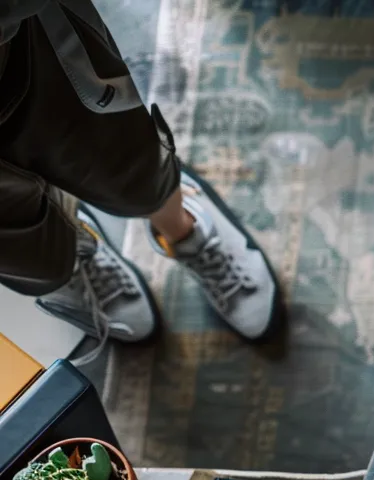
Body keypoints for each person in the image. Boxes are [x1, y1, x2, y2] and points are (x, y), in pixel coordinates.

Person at [0, 0, 280, 346]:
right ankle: (75, 260)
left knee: (131, 173)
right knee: (32, 256)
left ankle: (184, 227)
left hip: (16, 55)